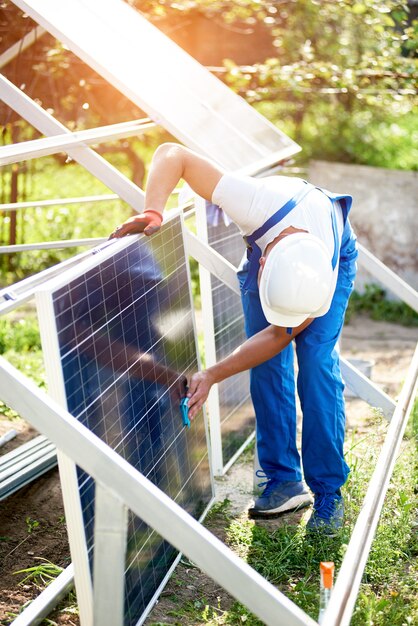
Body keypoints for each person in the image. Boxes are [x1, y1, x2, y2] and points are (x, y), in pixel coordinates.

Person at [110, 142, 358, 534]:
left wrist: (212, 373)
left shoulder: (319, 282)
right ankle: (282, 480)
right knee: (265, 367)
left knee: (316, 369)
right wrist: (153, 210)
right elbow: (173, 153)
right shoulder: (251, 201)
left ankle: (328, 491)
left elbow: (279, 335)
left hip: (332, 252)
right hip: (275, 233)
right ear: (262, 262)